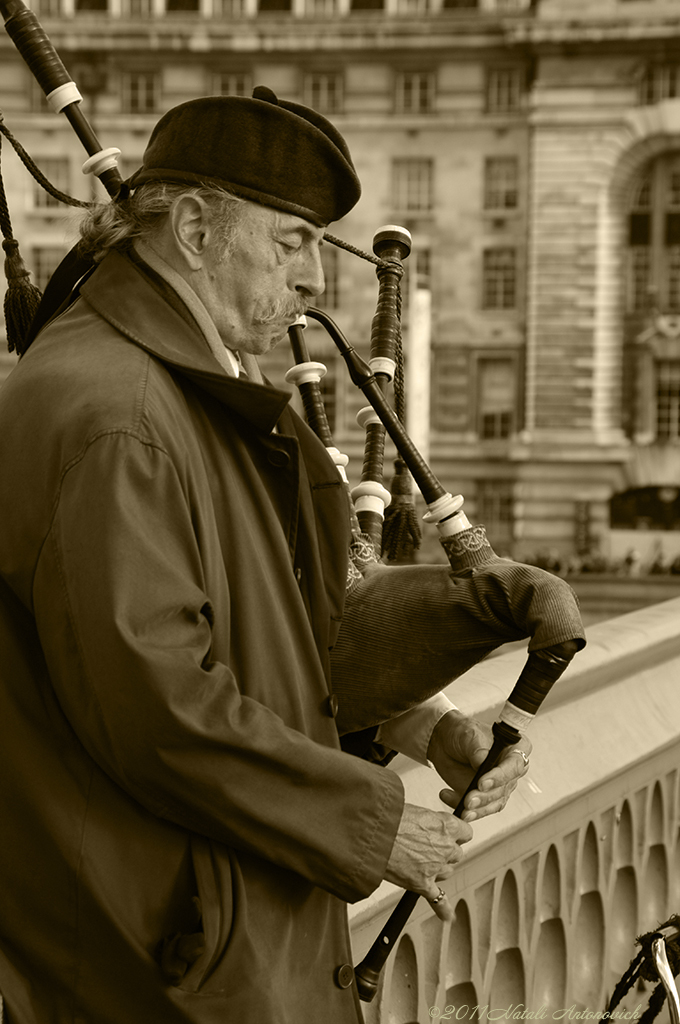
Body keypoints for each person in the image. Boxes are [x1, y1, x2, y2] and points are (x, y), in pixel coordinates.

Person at [0, 88, 580, 1024]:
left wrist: (425, 723)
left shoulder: (192, 387)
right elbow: (155, 704)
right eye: (291, 241)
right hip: (151, 955)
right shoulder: (121, 418)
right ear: (192, 226)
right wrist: (370, 822)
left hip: (216, 931)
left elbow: (280, 629)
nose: (318, 278)